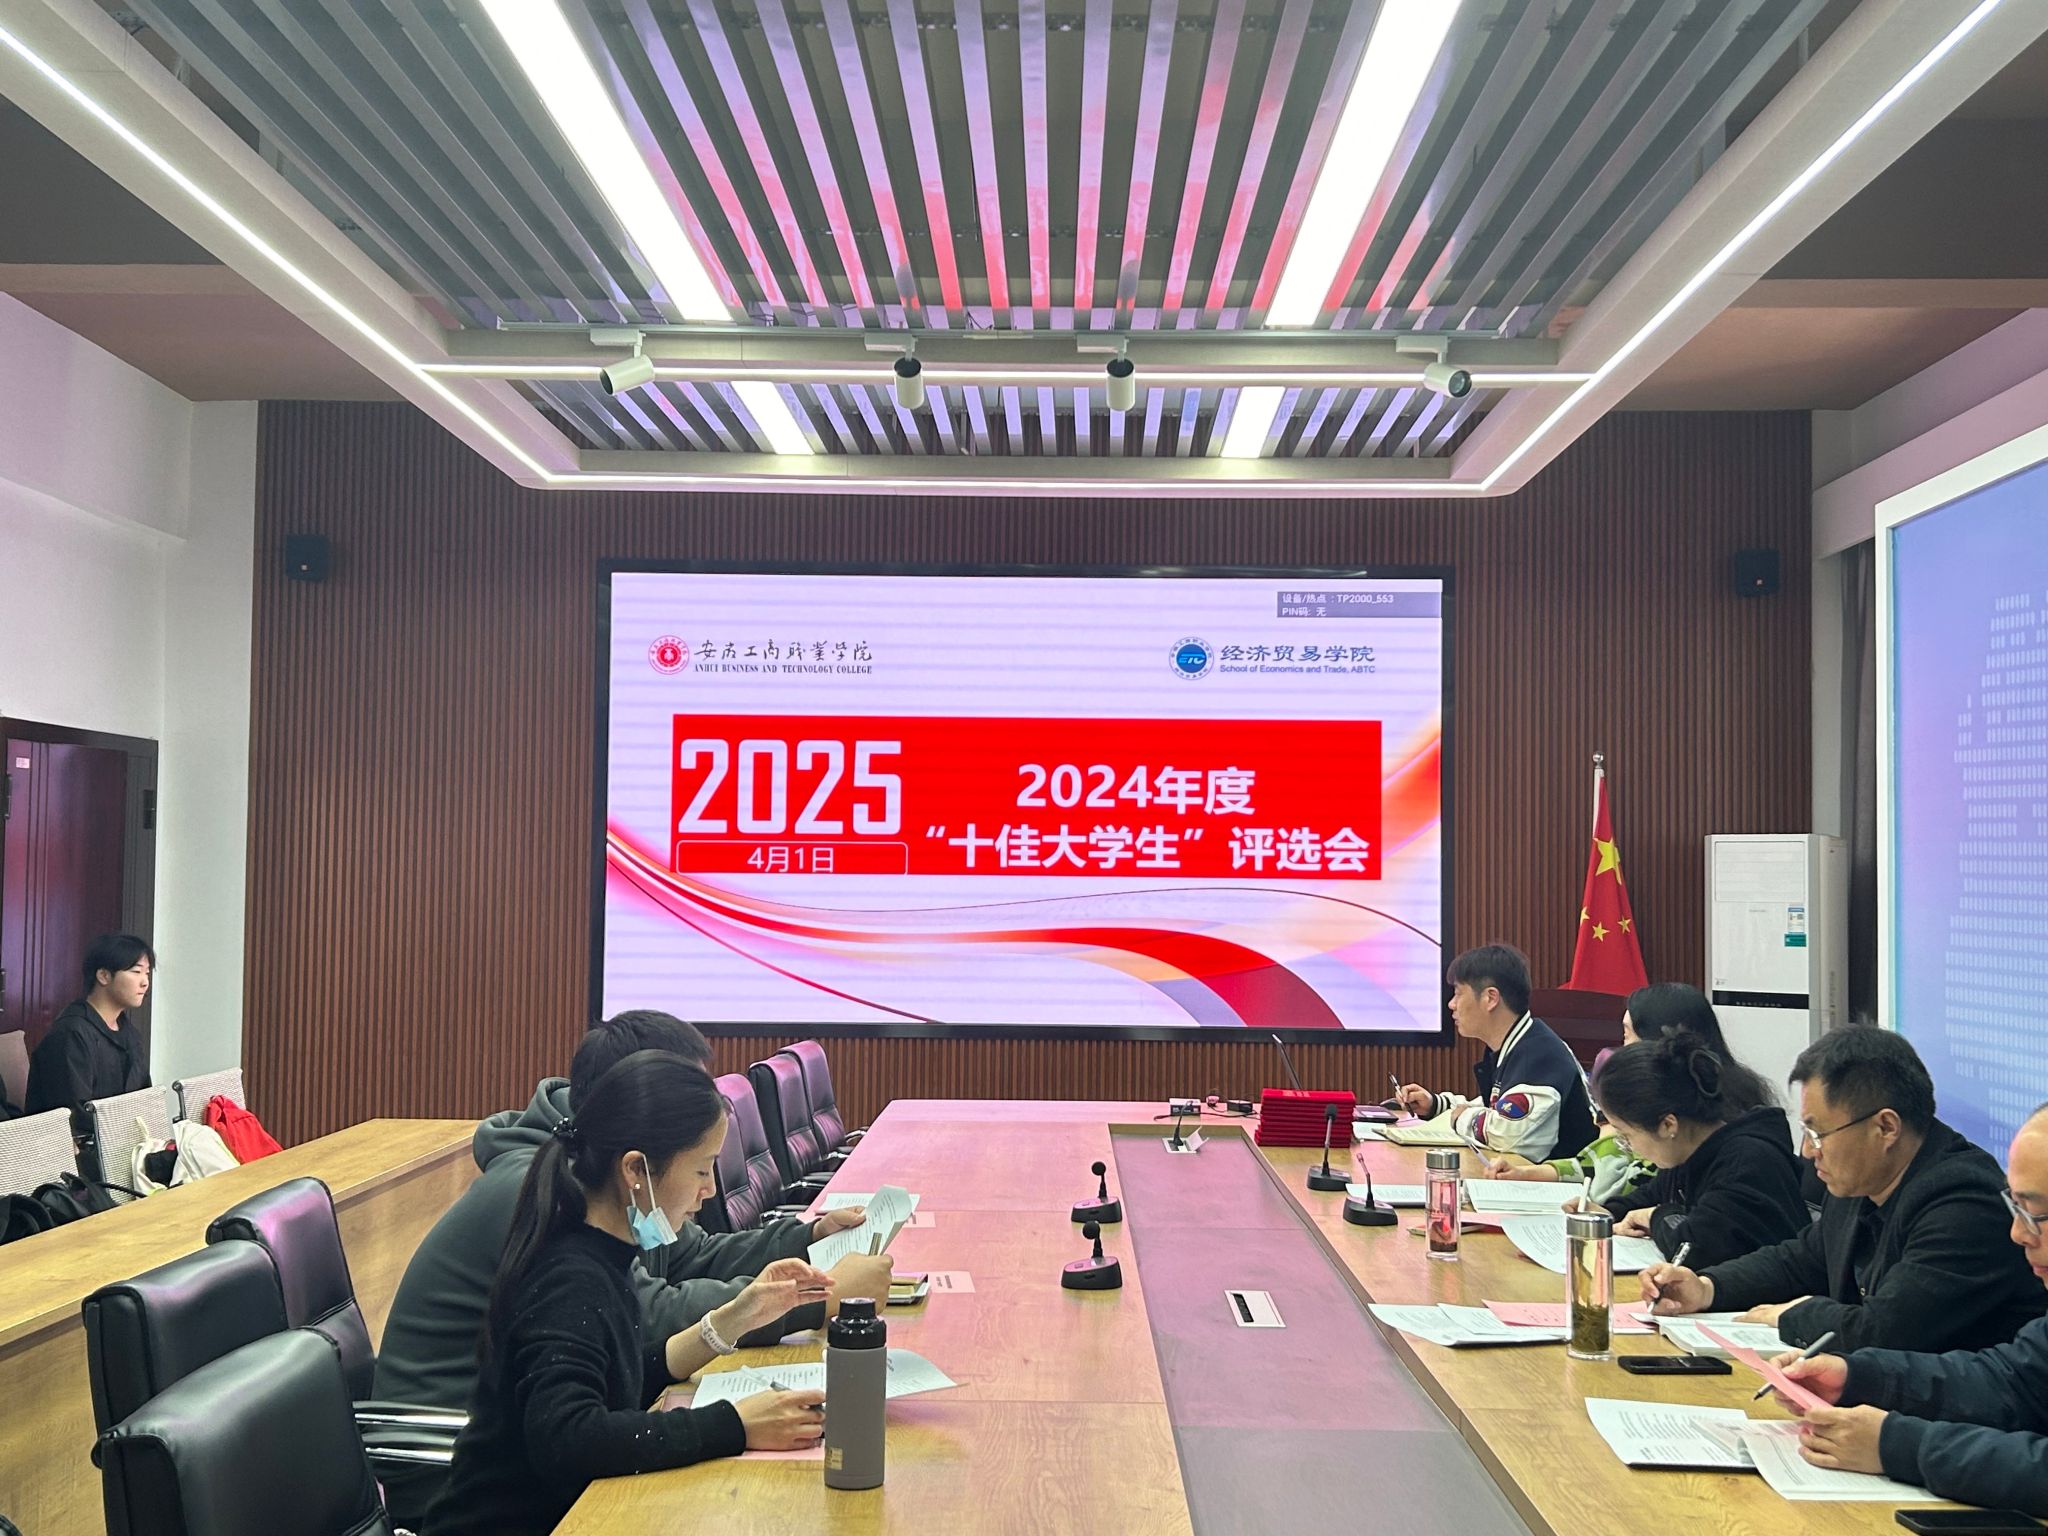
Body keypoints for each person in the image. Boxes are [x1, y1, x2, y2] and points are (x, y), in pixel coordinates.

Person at [375, 1012, 886, 1526]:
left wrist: (733, 1319)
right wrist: (732, 1424)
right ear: (636, 1167)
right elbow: (569, 1437)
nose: (710, 1190)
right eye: (701, 1169)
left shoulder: (604, 1230)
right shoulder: (567, 1261)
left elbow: (616, 1371)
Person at [1640, 1026, 2044, 1352]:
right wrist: (1707, 1288)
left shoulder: (1964, 1202)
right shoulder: (1861, 1181)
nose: (1807, 1150)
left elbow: (1886, 1331)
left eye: (1818, 1133)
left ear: (1886, 1127)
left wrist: (1795, 1315)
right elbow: (1802, 1259)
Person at [1768, 1103, 2048, 1513]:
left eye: (2036, 1214)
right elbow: (2010, 1382)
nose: (2018, 1233)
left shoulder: (1959, 1193)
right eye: (2016, 1207)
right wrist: (1856, 1377)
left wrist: (1896, 1445)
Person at [1486, 982, 1774, 1199]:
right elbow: (1608, 1157)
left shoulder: (1703, 1114)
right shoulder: (1682, 1092)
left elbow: (1640, 1188)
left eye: (1627, 1035)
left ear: (1659, 1043)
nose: (1622, 1048)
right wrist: (1531, 1173)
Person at [1586, 1029, 1806, 1268]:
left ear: (1667, 1125)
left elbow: (1694, 1247)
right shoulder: (1691, 1149)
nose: (1628, 1146)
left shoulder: (1745, 1162)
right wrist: (1608, 1213)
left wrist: (1654, 1216)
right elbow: (1653, 1193)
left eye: (1626, 1136)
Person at [1394, 943, 1596, 1163]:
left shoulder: (1540, 1055)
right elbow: (1495, 1108)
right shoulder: (1519, 1044)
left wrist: (1461, 1118)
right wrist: (1435, 1104)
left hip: (1571, 1183)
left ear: (1490, 998)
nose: (1451, 1004)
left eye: (1458, 993)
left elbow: (1511, 1134)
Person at [24, 934, 153, 1119]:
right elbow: (75, 1115)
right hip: (77, 1136)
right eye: (136, 971)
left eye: (147, 973)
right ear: (103, 976)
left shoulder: (129, 1033)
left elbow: (145, 1098)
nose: (145, 982)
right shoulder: (71, 1034)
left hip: (120, 1133)